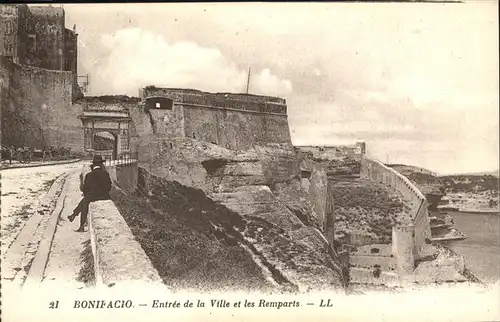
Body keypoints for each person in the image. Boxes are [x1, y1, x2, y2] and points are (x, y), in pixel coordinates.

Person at [68, 155, 112, 232]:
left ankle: (80, 224)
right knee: (85, 200)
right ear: (101, 165)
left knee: (85, 201)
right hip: (105, 196)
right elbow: (109, 187)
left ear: (93, 165)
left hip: (93, 196)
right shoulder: (106, 174)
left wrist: (89, 193)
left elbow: (85, 189)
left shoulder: (89, 175)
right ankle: (73, 215)